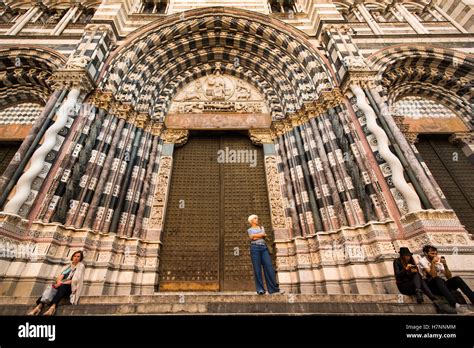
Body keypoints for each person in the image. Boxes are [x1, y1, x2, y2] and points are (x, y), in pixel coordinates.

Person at [393, 247, 455, 314]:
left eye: (409, 255)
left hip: (415, 285)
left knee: (418, 276)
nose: (408, 257)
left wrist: (413, 270)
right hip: (404, 286)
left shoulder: (411, 262)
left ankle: (433, 301)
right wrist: (406, 269)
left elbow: (415, 275)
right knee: (420, 279)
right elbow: (398, 276)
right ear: (402, 256)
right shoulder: (397, 261)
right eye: (406, 255)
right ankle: (435, 303)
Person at [419, 245, 474, 314]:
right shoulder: (423, 261)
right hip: (431, 286)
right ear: (426, 253)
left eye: (436, 253)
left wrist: (445, 265)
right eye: (432, 253)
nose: (434, 255)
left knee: (457, 279)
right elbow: (433, 276)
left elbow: (449, 276)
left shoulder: (438, 260)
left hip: (441, 284)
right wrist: (433, 263)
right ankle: (455, 304)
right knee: (438, 279)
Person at [27, 250, 85, 316]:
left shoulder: (81, 266)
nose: (76, 258)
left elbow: (75, 280)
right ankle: (39, 306)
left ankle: (53, 307)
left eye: (78, 256)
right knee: (52, 287)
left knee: (63, 287)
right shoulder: (68, 266)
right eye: (75, 256)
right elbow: (60, 277)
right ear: (72, 257)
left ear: (80, 258)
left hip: (70, 287)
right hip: (61, 285)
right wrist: (58, 283)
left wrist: (61, 284)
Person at [247, 214, 285, 295]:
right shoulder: (249, 230)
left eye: (257, 218)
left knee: (269, 268)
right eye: (255, 218)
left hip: (264, 248)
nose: (257, 219)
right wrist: (260, 235)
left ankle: (274, 289)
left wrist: (257, 236)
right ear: (251, 221)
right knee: (257, 269)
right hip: (254, 248)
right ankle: (260, 289)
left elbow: (261, 235)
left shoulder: (261, 227)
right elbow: (252, 237)